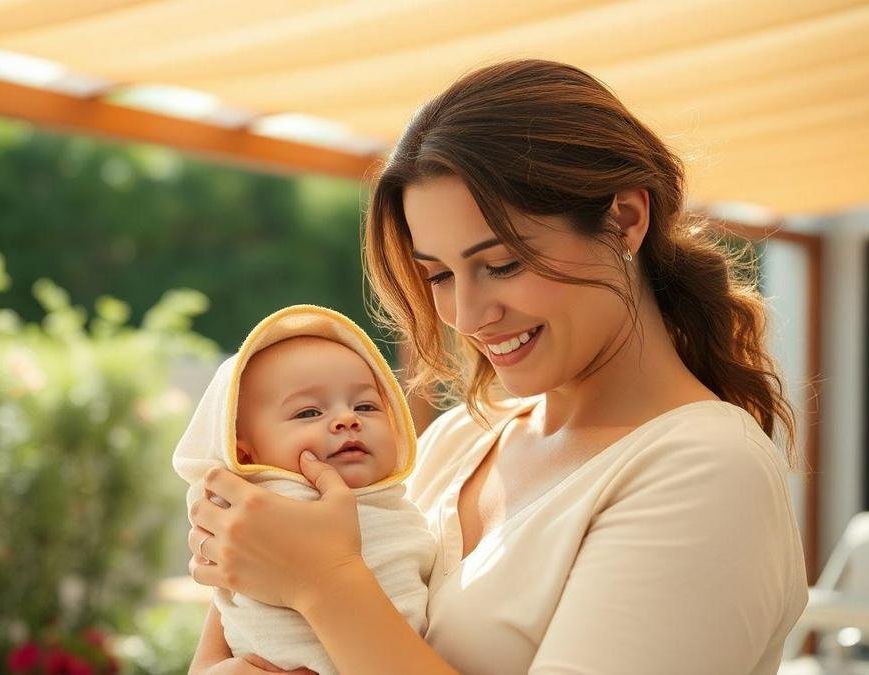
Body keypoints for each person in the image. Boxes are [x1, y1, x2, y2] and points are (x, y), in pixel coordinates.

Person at [184, 59, 809, 674]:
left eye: (502, 264)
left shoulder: (705, 470)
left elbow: (328, 592)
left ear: (625, 220)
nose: (467, 313)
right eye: (438, 275)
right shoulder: (460, 441)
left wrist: (324, 583)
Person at [173, 304, 435, 674]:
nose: (347, 419)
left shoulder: (396, 504)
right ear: (244, 451)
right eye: (309, 413)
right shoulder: (263, 504)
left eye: (366, 405)